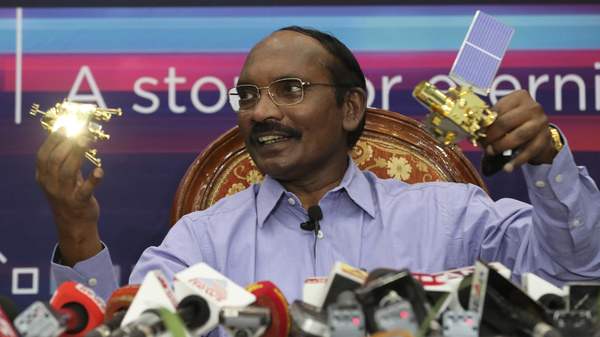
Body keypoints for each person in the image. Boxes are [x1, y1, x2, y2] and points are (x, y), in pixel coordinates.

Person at [41, 25, 599, 328]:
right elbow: (126, 327)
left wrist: (548, 160)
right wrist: (77, 231)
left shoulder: (449, 214)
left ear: (351, 109)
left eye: (290, 90)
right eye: (248, 95)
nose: (261, 113)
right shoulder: (202, 238)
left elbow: (578, 275)